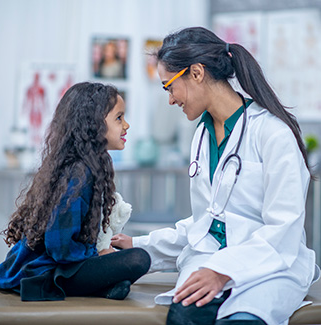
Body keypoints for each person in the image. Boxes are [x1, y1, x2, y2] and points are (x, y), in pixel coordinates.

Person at [111, 27, 320, 325]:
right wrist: (141, 245)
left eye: (169, 86)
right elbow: (207, 224)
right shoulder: (201, 136)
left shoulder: (273, 134)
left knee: (242, 320)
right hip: (209, 263)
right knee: (185, 315)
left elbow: (283, 230)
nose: (170, 99)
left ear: (196, 73)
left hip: (269, 269)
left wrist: (222, 271)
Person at [0, 82, 150, 301]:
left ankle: (105, 287)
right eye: (119, 118)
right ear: (93, 124)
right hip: (45, 272)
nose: (126, 125)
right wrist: (97, 254)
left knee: (128, 265)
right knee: (138, 259)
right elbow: (59, 248)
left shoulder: (91, 165)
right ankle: (95, 287)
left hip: (64, 266)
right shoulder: (79, 173)